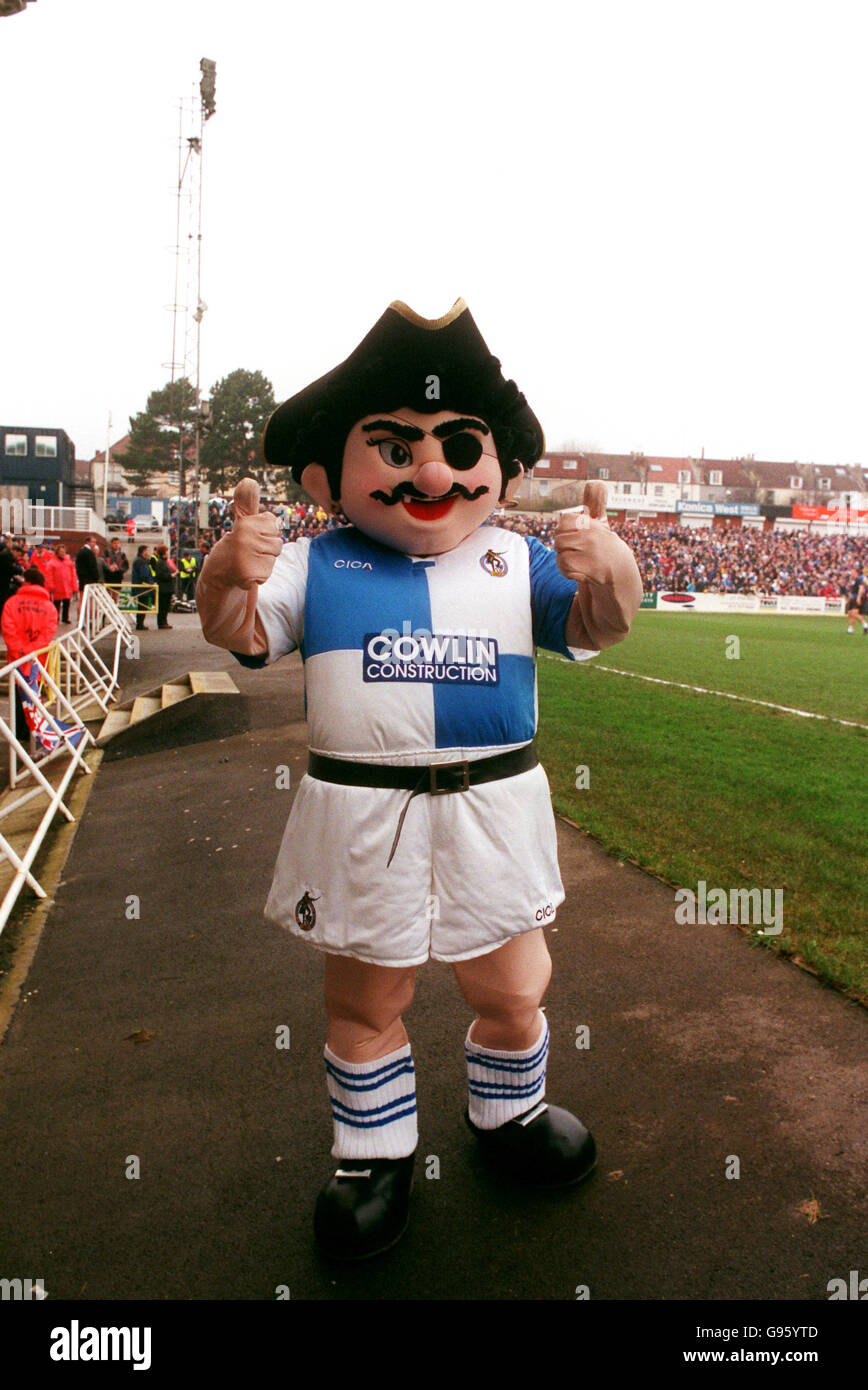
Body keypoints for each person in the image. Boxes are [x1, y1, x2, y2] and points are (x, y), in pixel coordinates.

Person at [197, 299, 643, 1261]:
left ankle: (510, 1115)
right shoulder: (317, 563)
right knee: (366, 998)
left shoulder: (516, 560)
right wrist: (225, 574)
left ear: (503, 468)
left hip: (494, 807)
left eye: (456, 445)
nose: (432, 471)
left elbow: (598, 627)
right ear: (328, 474)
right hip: (365, 816)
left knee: (517, 982)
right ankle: (372, 1155)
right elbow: (236, 630)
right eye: (395, 449)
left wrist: (614, 572)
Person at [1, 566, 59, 751]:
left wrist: (19, 649)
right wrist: (33, 649)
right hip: (37, 659)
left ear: (27, 582)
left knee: (19, 695)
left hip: (17, 657)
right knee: (35, 693)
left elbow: (7, 627)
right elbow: (49, 631)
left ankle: (21, 733)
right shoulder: (49, 606)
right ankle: (34, 730)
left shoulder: (12, 602)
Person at [44, 543, 78, 624]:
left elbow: (73, 574)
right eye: (61, 551)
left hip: (67, 585)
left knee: (67, 602)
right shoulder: (51, 563)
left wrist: (74, 585)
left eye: (64, 551)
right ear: (57, 552)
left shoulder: (69, 562)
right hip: (57, 586)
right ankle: (56, 618)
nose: (63, 553)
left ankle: (65, 618)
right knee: (57, 603)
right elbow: (49, 575)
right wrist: (51, 585)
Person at [131, 545, 154, 631]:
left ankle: (140, 623)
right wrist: (150, 583)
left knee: (142, 605)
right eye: (147, 551)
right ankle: (140, 624)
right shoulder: (141, 561)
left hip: (140, 586)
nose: (149, 553)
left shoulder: (139, 560)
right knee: (142, 605)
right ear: (143, 551)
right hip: (142, 587)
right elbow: (144, 574)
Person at [152, 544, 175, 630]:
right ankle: (161, 623)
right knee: (162, 606)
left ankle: (164, 621)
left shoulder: (164, 562)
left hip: (167, 587)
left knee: (166, 606)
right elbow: (161, 575)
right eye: (166, 551)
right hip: (163, 587)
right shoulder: (160, 562)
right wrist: (171, 575)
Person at [102, 537, 129, 603]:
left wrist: (118, 568)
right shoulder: (106, 553)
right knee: (107, 597)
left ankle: (114, 610)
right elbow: (103, 563)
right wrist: (109, 567)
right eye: (114, 543)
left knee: (115, 597)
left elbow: (126, 567)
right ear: (111, 544)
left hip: (117, 577)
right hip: (108, 577)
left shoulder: (122, 555)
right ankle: (106, 612)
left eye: (118, 543)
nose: (116, 545)